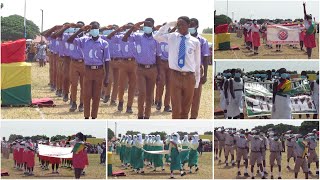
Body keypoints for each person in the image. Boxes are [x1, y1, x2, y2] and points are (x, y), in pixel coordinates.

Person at [154, 16, 201, 119]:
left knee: (185, 109)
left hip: (189, 77)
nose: (180, 27)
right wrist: (169, 24)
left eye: (182, 25)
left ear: (188, 25)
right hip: (175, 76)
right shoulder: (172, 37)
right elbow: (157, 37)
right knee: (176, 109)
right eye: (178, 25)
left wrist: (196, 81)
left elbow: (197, 63)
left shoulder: (195, 42)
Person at [67, 21, 110, 119]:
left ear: (99, 29)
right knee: (87, 95)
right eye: (92, 29)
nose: (94, 30)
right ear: (89, 30)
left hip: (99, 71)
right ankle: (86, 116)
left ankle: (94, 117)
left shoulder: (104, 43)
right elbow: (70, 40)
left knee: (96, 96)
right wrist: (81, 30)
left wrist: (107, 76)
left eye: (96, 28)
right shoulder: (84, 40)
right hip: (87, 70)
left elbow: (107, 60)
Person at [122, 18, 160, 119]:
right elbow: (124, 39)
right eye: (145, 25)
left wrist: (159, 73)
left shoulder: (156, 39)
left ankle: (147, 115)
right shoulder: (138, 37)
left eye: (149, 26)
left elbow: (158, 56)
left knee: (149, 94)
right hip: (140, 69)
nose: (147, 27)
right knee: (142, 92)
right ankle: (140, 114)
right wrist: (133, 28)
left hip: (152, 69)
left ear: (153, 27)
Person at [106, 23, 137, 113]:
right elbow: (108, 37)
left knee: (132, 86)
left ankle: (129, 106)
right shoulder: (120, 37)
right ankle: (120, 101)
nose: (129, 30)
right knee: (121, 86)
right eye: (127, 28)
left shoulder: (137, 38)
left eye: (131, 28)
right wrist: (118, 30)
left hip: (134, 63)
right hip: (123, 63)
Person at [189, 18, 210, 119]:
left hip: (197, 70)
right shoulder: (184, 39)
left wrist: (205, 75)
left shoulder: (202, 41)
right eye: (189, 25)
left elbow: (206, 58)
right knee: (185, 96)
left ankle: (193, 117)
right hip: (186, 70)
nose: (190, 28)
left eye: (192, 25)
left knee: (196, 96)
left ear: (197, 26)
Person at [67, 21, 85, 112]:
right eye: (77, 27)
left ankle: (82, 104)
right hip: (74, 63)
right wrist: (78, 32)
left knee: (83, 85)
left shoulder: (87, 38)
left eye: (81, 27)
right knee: (74, 84)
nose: (79, 29)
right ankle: (73, 102)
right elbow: (68, 40)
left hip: (84, 63)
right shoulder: (73, 37)